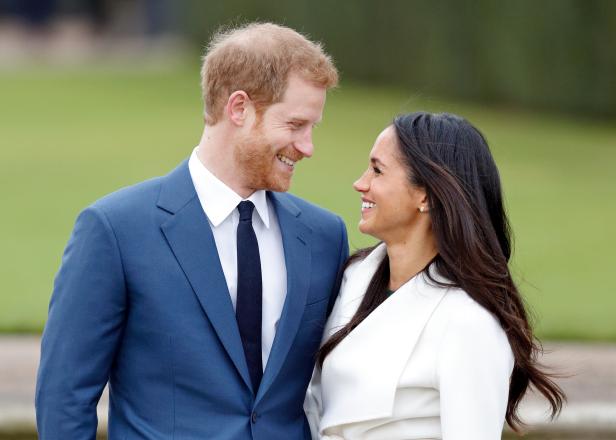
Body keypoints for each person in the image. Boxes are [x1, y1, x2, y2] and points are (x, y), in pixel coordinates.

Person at [36, 22, 349, 439]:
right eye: (295, 125)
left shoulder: (324, 236)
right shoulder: (114, 230)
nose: (308, 146)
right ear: (239, 108)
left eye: (313, 127)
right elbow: (64, 399)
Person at [305, 112, 564, 439]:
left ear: (425, 195)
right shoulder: (353, 278)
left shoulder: (469, 323)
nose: (361, 183)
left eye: (377, 170)